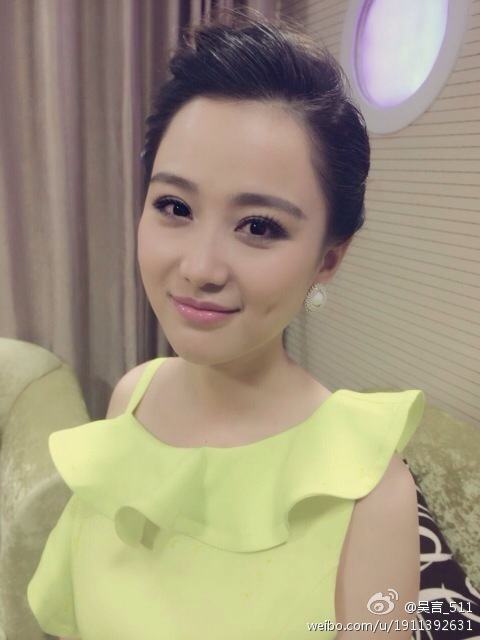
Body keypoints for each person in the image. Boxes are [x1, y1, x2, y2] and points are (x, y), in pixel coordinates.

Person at [27, 9, 425, 640]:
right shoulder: (133, 399)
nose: (200, 268)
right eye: (174, 206)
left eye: (259, 226)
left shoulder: (368, 492)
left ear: (328, 258)